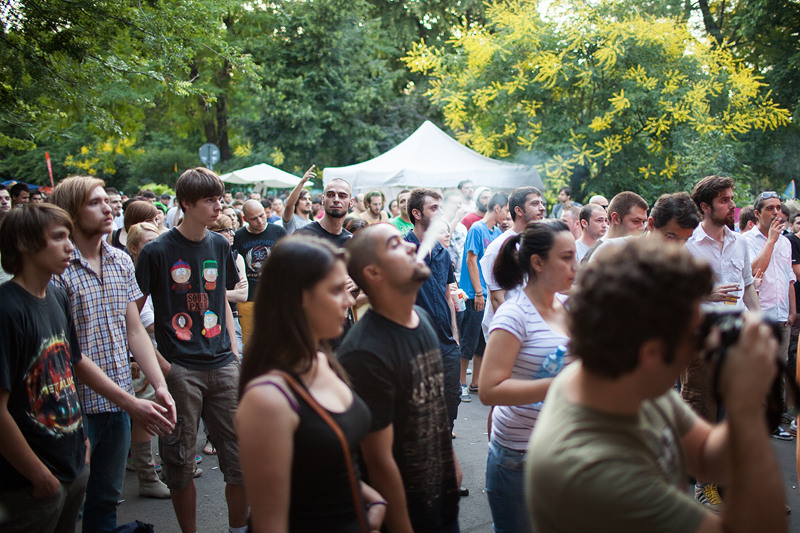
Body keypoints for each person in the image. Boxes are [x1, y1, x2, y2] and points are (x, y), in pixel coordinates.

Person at [527, 238, 787, 532]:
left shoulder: (622, 378)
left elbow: (706, 455)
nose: (698, 348)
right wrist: (747, 406)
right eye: (693, 335)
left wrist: (745, 405)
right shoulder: (593, 472)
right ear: (651, 352)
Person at [50, 176, 175, 532]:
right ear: (71, 212)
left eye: (108, 201)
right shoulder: (58, 269)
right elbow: (70, 354)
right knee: (67, 504)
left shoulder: (120, 260)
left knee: (106, 500)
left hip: (118, 404)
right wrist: (133, 403)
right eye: (95, 202)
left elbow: (134, 330)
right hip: (73, 408)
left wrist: (159, 384)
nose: (108, 208)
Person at [236, 236, 385, 532]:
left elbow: (326, 462)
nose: (350, 300)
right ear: (299, 297)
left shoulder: (323, 359)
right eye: (336, 290)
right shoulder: (267, 399)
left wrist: (372, 499)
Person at [135, 168, 247, 533]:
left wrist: (232, 351)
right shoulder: (156, 251)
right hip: (180, 367)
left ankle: (236, 529)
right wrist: (161, 364)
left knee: (240, 459)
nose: (219, 206)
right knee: (180, 462)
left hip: (223, 363)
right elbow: (132, 316)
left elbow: (223, 303)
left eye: (220, 198)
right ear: (186, 204)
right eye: (209, 200)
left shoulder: (219, 245)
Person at [339, 224, 461, 532]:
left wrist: (453, 465)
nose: (410, 246)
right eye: (395, 244)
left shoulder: (423, 321)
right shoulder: (364, 353)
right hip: (408, 515)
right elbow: (378, 460)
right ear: (374, 273)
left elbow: (433, 406)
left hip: (442, 502)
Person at [479, 220, 575, 533]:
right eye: (566, 257)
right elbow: (490, 389)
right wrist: (560, 386)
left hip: (562, 449)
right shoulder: (514, 313)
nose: (575, 266)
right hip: (520, 456)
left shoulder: (564, 305)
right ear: (537, 262)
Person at [0, 204, 90, 532]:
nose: (70, 246)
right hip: (30, 485)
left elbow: (67, 368)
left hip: (72, 464)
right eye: (58, 237)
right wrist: (40, 476)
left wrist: (82, 446)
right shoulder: (7, 310)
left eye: (70, 236)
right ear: (25, 244)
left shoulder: (57, 296)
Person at [682, 175, 761, 510]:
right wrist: (706, 293)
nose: (733, 205)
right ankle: (705, 486)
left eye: (732, 198)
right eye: (725, 200)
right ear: (705, 207)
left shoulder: (739, 242)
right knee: (703, 412)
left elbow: (748, 288)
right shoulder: (686, 244)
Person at [403, 188, 461, 433]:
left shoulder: (440, 251)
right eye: (434, 208)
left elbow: (448, 295)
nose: (440, 214)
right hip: (415, 346)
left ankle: (443, 450)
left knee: (451, 400)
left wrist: (455, 338)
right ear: (416, 213)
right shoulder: (401, 250)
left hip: (446, 344)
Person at [125, 222, 173, 499]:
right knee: (144, 416)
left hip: (160, 351)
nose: (157, 247)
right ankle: (147, 475)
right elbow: (145, 325)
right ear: (133, 248)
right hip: (141, 356)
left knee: (160, 409)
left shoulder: (159, 270)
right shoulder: (132, 276)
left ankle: (168, 467)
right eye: (149, 242)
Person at [743, 191, 796, 439]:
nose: (776, 213)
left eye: (778, 208)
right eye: (770, 209)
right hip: (758, 314)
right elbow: (751, 274)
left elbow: (789, 279)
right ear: (757, 214)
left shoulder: (786, 242)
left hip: (782, 315)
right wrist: (771, 241)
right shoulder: (746, 240)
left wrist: (792, 310)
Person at [458, 193, 507, 402]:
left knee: (482, 341)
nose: (507, 214)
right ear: (497, 208)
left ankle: (476, 381)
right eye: (505, 210)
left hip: (489, 294)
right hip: (473, 294)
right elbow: (471, 260)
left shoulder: (496, 231)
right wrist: (478, 292)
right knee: (468, 340)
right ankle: (460, 384)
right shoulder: (477, 229)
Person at [233, 200, 286, 345]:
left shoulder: (278, 231)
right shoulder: (238, 237)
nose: (260, 221)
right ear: (245, 219)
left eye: (262, 216)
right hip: (248, 299)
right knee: (250, 343)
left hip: (275, 298)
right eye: (254, 218)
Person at [297, 178, 354, 247]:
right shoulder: (303, 236)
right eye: (330, 195)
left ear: (351, 202)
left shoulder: (351, 242)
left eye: (342, 196)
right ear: (323, 200)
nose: (336, 199)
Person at [282, 166, 316, 235]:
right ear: (296, 202)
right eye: (304, 199)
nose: (308, 202)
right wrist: (302, 182)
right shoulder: (291, 220)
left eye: (309, 199)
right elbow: (289, 205)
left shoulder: (314, 224)